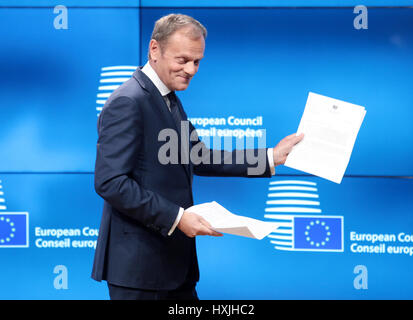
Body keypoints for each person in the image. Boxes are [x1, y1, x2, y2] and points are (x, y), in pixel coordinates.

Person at [92, 13, 304, 300]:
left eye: (197, 61)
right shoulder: (128, 102)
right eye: (182, 60)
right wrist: (177, 218)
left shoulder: (167, 97)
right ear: (155, 50)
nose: (191, 69)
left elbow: (198, 156)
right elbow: (111, 182)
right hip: (140, 270)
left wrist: (271, 157)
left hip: (171, 267)